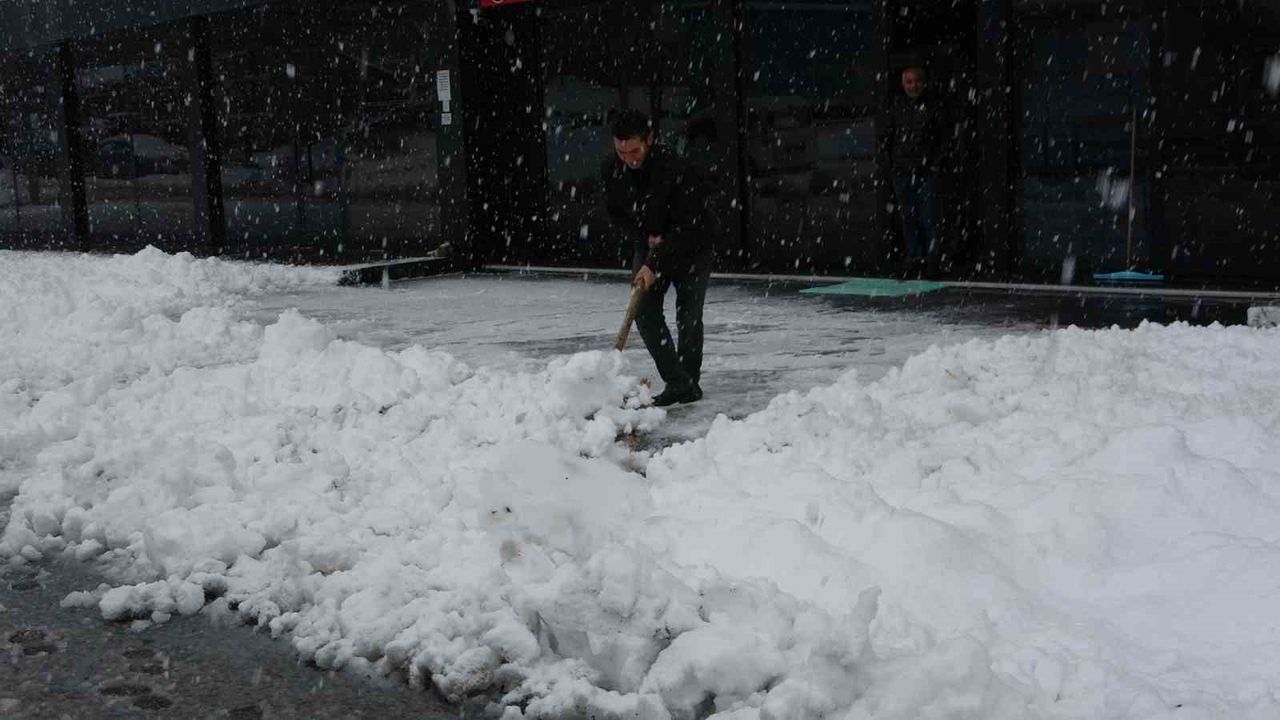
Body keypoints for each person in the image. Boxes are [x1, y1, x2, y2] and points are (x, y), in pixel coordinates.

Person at [601, 109, 712, 407]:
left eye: (635, 150)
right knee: (645, 313)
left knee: (689, 318)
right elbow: (617, 216)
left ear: (649, 139)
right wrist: (643, 241)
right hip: (649, 249)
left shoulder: (676, 169)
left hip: (691, 248)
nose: (629, 158)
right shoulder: (612, 170)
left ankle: (690, 381)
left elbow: (687, 225)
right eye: (621, 151)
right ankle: (679, 383)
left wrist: (654, 260)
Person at [881, 64, 945, 277]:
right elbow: (888, 138)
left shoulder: (933, 107)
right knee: (909, 219)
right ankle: (915, 259)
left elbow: (942, 139)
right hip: (902, 171)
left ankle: (931, 261)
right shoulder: (897, 108)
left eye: (916, 81)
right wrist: (893, 167)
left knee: (928, 218)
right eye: (909, 82)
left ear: (923, 83)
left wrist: (934, 163)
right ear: (902, 84)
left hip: (925, 172)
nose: (913, 86)